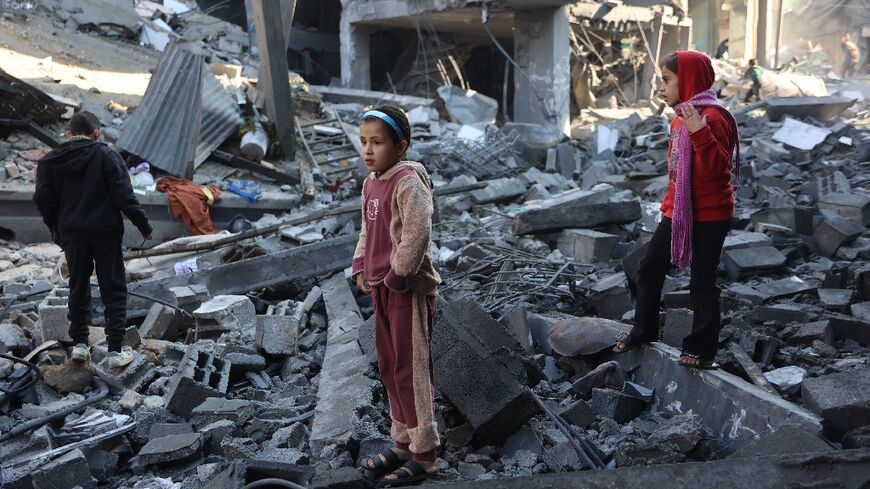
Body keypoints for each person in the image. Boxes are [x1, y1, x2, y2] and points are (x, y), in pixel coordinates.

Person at [613, 51, 739, 370]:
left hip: (711, 216)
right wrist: (668, 210)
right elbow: (676, 173)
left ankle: (701, 349)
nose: (661, 88)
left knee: (702, 284)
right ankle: (644, 330)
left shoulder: (714, 117)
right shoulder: (679, 117)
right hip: (678, 214)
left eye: (667, 80)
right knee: (649, 268)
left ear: (690, 81)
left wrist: (701, 132)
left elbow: (717, 170)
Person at [351, 105, 442, 487]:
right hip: (380, 289)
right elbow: (367, 231)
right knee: (389, 366)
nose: (368, 150)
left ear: (401, 146)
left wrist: (397, 275)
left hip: (405, 289)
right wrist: (360, 266)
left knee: (411, 369)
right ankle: (403, 441)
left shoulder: (407, 182)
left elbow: (417, 233)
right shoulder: (371, 182)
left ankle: (426, 455)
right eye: (363, 142)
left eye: (378, 143)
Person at [34, 111, 152, 371]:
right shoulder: (107, 156)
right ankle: (114, 351)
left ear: (68, 135)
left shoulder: (50, 161)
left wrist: (58, 230)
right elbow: (124, 196)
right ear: (97, 134)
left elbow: (43, 200)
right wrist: (143, 225)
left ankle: (79, 345)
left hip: (73, 234)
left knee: (78, 284)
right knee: (113, 288)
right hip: (106, 232)